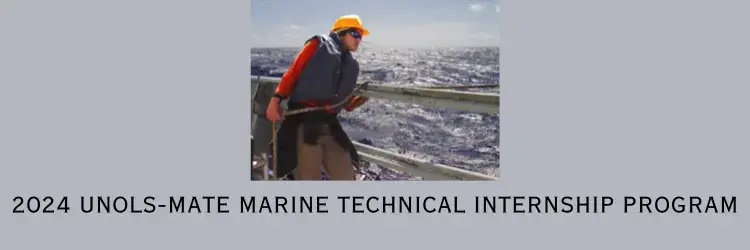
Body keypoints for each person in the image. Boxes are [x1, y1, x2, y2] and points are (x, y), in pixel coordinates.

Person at [265, 14, 371, 180]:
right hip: (304, 124)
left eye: (360, 36)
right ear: (342, 32)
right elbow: (293, 71)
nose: (359, 39)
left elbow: (345, 104)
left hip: (330, 124)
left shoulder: (351, 65)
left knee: (346, 175)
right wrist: (276, 99)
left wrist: (360, 100)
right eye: (355, 34)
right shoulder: (318, 44)